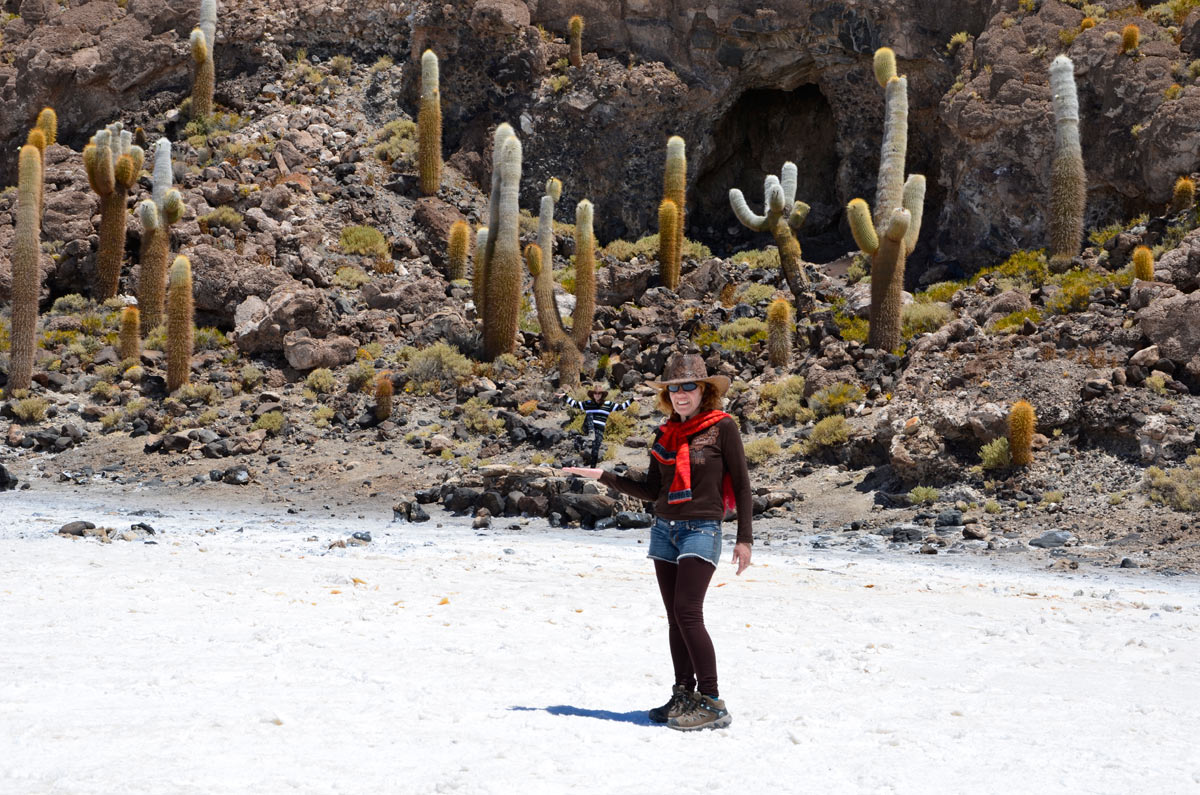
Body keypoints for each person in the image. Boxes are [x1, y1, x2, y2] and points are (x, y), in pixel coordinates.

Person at [564, 353, 752, 731]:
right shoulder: (664, 432)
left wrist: (744, 538)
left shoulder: (723, 427)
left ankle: (713, 701)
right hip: (664, 529)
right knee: (675, 618)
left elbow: (743, 484)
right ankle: (684, 693)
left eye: (689, 387)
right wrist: (605, 475)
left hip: (702, 528)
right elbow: (651, 489)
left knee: (688, 612)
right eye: (674, 388)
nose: (681, 394)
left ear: (703, 391)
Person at [560, 386, 633, 467]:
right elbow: (575, 404)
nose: (597, 395)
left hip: (599, 430)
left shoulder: (608, 404)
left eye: (599, 393)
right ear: (593, 395)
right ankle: (591, 432)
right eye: (595, 393)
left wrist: (632, 400)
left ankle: (592, 469)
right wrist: (565, 396)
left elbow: (621, 407)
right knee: (590, 414)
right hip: (587, 427)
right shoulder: (588, 403)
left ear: (602, 395)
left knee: (595, 450)